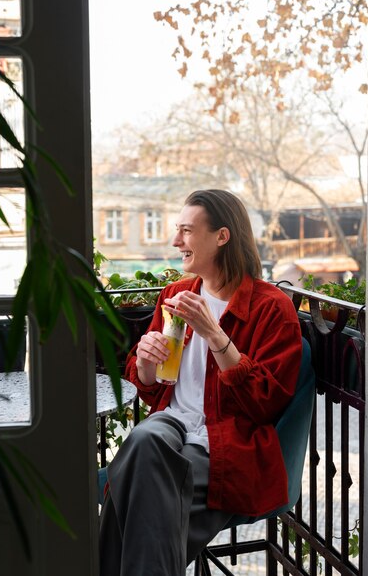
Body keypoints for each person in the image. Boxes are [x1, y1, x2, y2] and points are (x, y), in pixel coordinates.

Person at [98, 189, 302, 576]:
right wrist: (145, 361)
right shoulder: (176, 295)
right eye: (177, 231)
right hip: (173, 421)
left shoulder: (271, 307)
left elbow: (265, 403)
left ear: (221, 236)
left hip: (227, 439)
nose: (176, 241)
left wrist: (215, 335)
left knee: (136, 481)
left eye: (186, 231)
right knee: (144, 440)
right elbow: (150, 385)